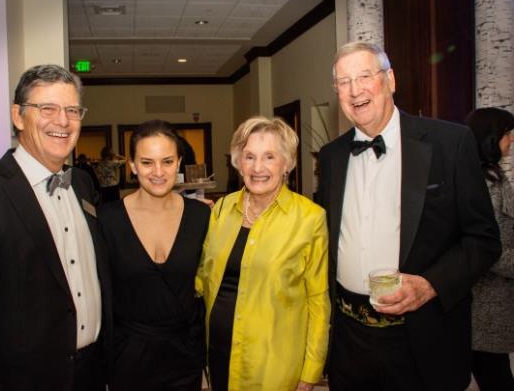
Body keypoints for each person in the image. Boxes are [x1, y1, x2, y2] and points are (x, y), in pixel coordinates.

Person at [316, 41, 501, 390]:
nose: (355, 90)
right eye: (344, 81)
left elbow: (484, 240)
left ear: (390, 80)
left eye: (365, 76)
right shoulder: (331, 156)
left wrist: (429, 286)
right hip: (349, 341)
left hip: (421, 339)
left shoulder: (450, 143)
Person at [0, 64, 112, 391]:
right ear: (18, 116)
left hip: (92, 373)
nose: (62, 121)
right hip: (24, 379)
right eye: (47, 108)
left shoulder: (82, 183)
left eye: (72, 110)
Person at [198, 116, 330, 391]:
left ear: (286, 163)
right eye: (249, 157)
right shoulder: (221, 210)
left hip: (274, 364)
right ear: (238, 162)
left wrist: (310, 371)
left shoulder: (309, 219)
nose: (257, 167)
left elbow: (318, 300)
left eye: (269, 156)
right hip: (219, 353)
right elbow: (203, 277)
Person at [98, 119, 209, 390]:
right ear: (133, 166)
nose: (158, 172)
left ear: (179, 163)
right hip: (128, 360)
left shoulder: (201, 216)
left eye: (167, 161)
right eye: (147, 162)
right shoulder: (107, 219)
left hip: (185, 356)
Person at [465, 107, 514, 390]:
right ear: (490, 138)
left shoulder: (494, 177)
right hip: (484, 305)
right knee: (496, 377)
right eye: (507, 135)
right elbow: (483, 245)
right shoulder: (482, 183)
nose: (510, 141)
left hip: (495, 301)